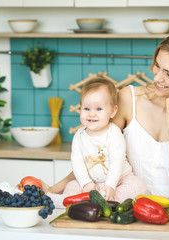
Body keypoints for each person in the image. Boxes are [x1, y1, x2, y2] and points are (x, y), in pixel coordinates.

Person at [45, 30, 169, 201]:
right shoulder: (129, 99)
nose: (156, 78)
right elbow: (95, 158)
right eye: (157, 66)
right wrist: (54, 189)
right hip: (133, 209)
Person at [44, 78, 146, 207]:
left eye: (98, 109)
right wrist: (86, 183)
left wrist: (110, 185)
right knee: (72, 185)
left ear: (113, 111)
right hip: (91, 183)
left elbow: (116, 161)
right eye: (86, 109)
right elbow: (77, 163)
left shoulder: (114, 133)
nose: (91, 114)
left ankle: (108, 202)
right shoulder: (79, 136)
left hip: (119, 180)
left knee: (138, 185)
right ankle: (68, 202)